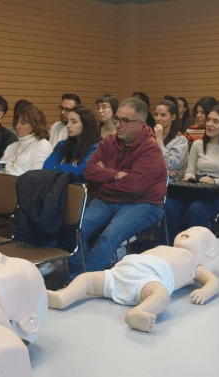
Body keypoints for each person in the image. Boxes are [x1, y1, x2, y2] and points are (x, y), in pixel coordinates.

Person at [47, 226, 219, 333]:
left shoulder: (195, 264)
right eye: (187, 231)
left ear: (209, 253)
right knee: (87, 279)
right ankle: (63, 297)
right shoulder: (167, 247)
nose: (186, 233)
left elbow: (214, 282)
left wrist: (205, 292)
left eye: (195, 234)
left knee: (161, 296)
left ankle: (139, 312)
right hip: (122, 269)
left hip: (149, 279)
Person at [69, 97, 167, 279]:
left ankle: (84, 281)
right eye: (117, 119)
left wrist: (104, 179)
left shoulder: (151, 149)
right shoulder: (109, 142)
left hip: (143, 203)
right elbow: (89, 171)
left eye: (125, 121)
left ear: (140, 123)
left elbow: (134, 186)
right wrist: (114, 175)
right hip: (108, 200)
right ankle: (79, 276)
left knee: (110, 235)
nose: (118, 125)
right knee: (76, 229)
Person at [166, 105, 219, 240]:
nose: (209, 124)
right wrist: (189, 176)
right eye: (208, 120)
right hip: (200, 188)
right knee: (170, 205)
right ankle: (174, 246)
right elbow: (190, 171)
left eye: (215, 121)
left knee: (196, 208)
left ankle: (201, 248)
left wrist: (214, 181)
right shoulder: (198, 144)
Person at [0, 104, 51, 176]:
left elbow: (36, 176)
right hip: (4, 181)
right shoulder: (11, 146)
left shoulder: (43, 145)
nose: (17, 127)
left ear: (34, 125)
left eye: (23, 123)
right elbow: (1, 169)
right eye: (17, 122)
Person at [42, 105, 100, 180]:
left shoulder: (94, 148)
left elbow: (83, 173)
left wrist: (58, 167)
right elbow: (46, 168)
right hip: (59, 186)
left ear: (86, 124)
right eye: (68, 121)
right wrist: (70, 170)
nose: (68, 126)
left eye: (74, 122)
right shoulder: (62, 145)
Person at [153, 99, 189, 180]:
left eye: (163, 115)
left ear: (173, 117)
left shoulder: (181, 140)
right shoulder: (150, 137)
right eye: (156, 114)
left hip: (170, 184)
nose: (158, 118)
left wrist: (159, 141)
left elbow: (169, 165)